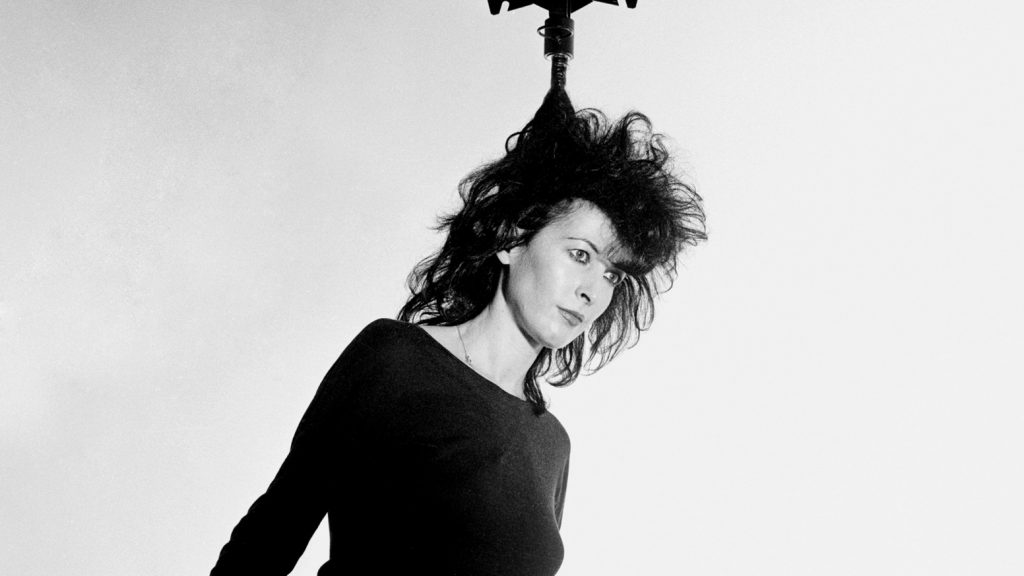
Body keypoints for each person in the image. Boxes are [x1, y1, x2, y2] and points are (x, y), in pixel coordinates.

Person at [210, 88, 706, 576]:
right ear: (512, 240)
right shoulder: (396, 360)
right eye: (580, 255)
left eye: (612, 275)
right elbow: (270, 536)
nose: (592, 291)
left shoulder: (551, 443)